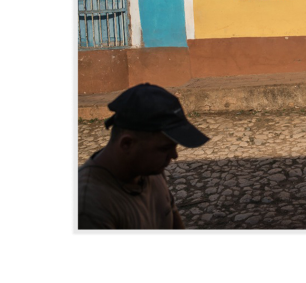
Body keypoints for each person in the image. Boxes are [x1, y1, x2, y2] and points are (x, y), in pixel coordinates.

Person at [77, 83, 210, 230]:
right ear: (127, 144)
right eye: (164, 148)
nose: (174, 156)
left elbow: (171, 216)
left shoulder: (150, 170)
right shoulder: (89, 208)